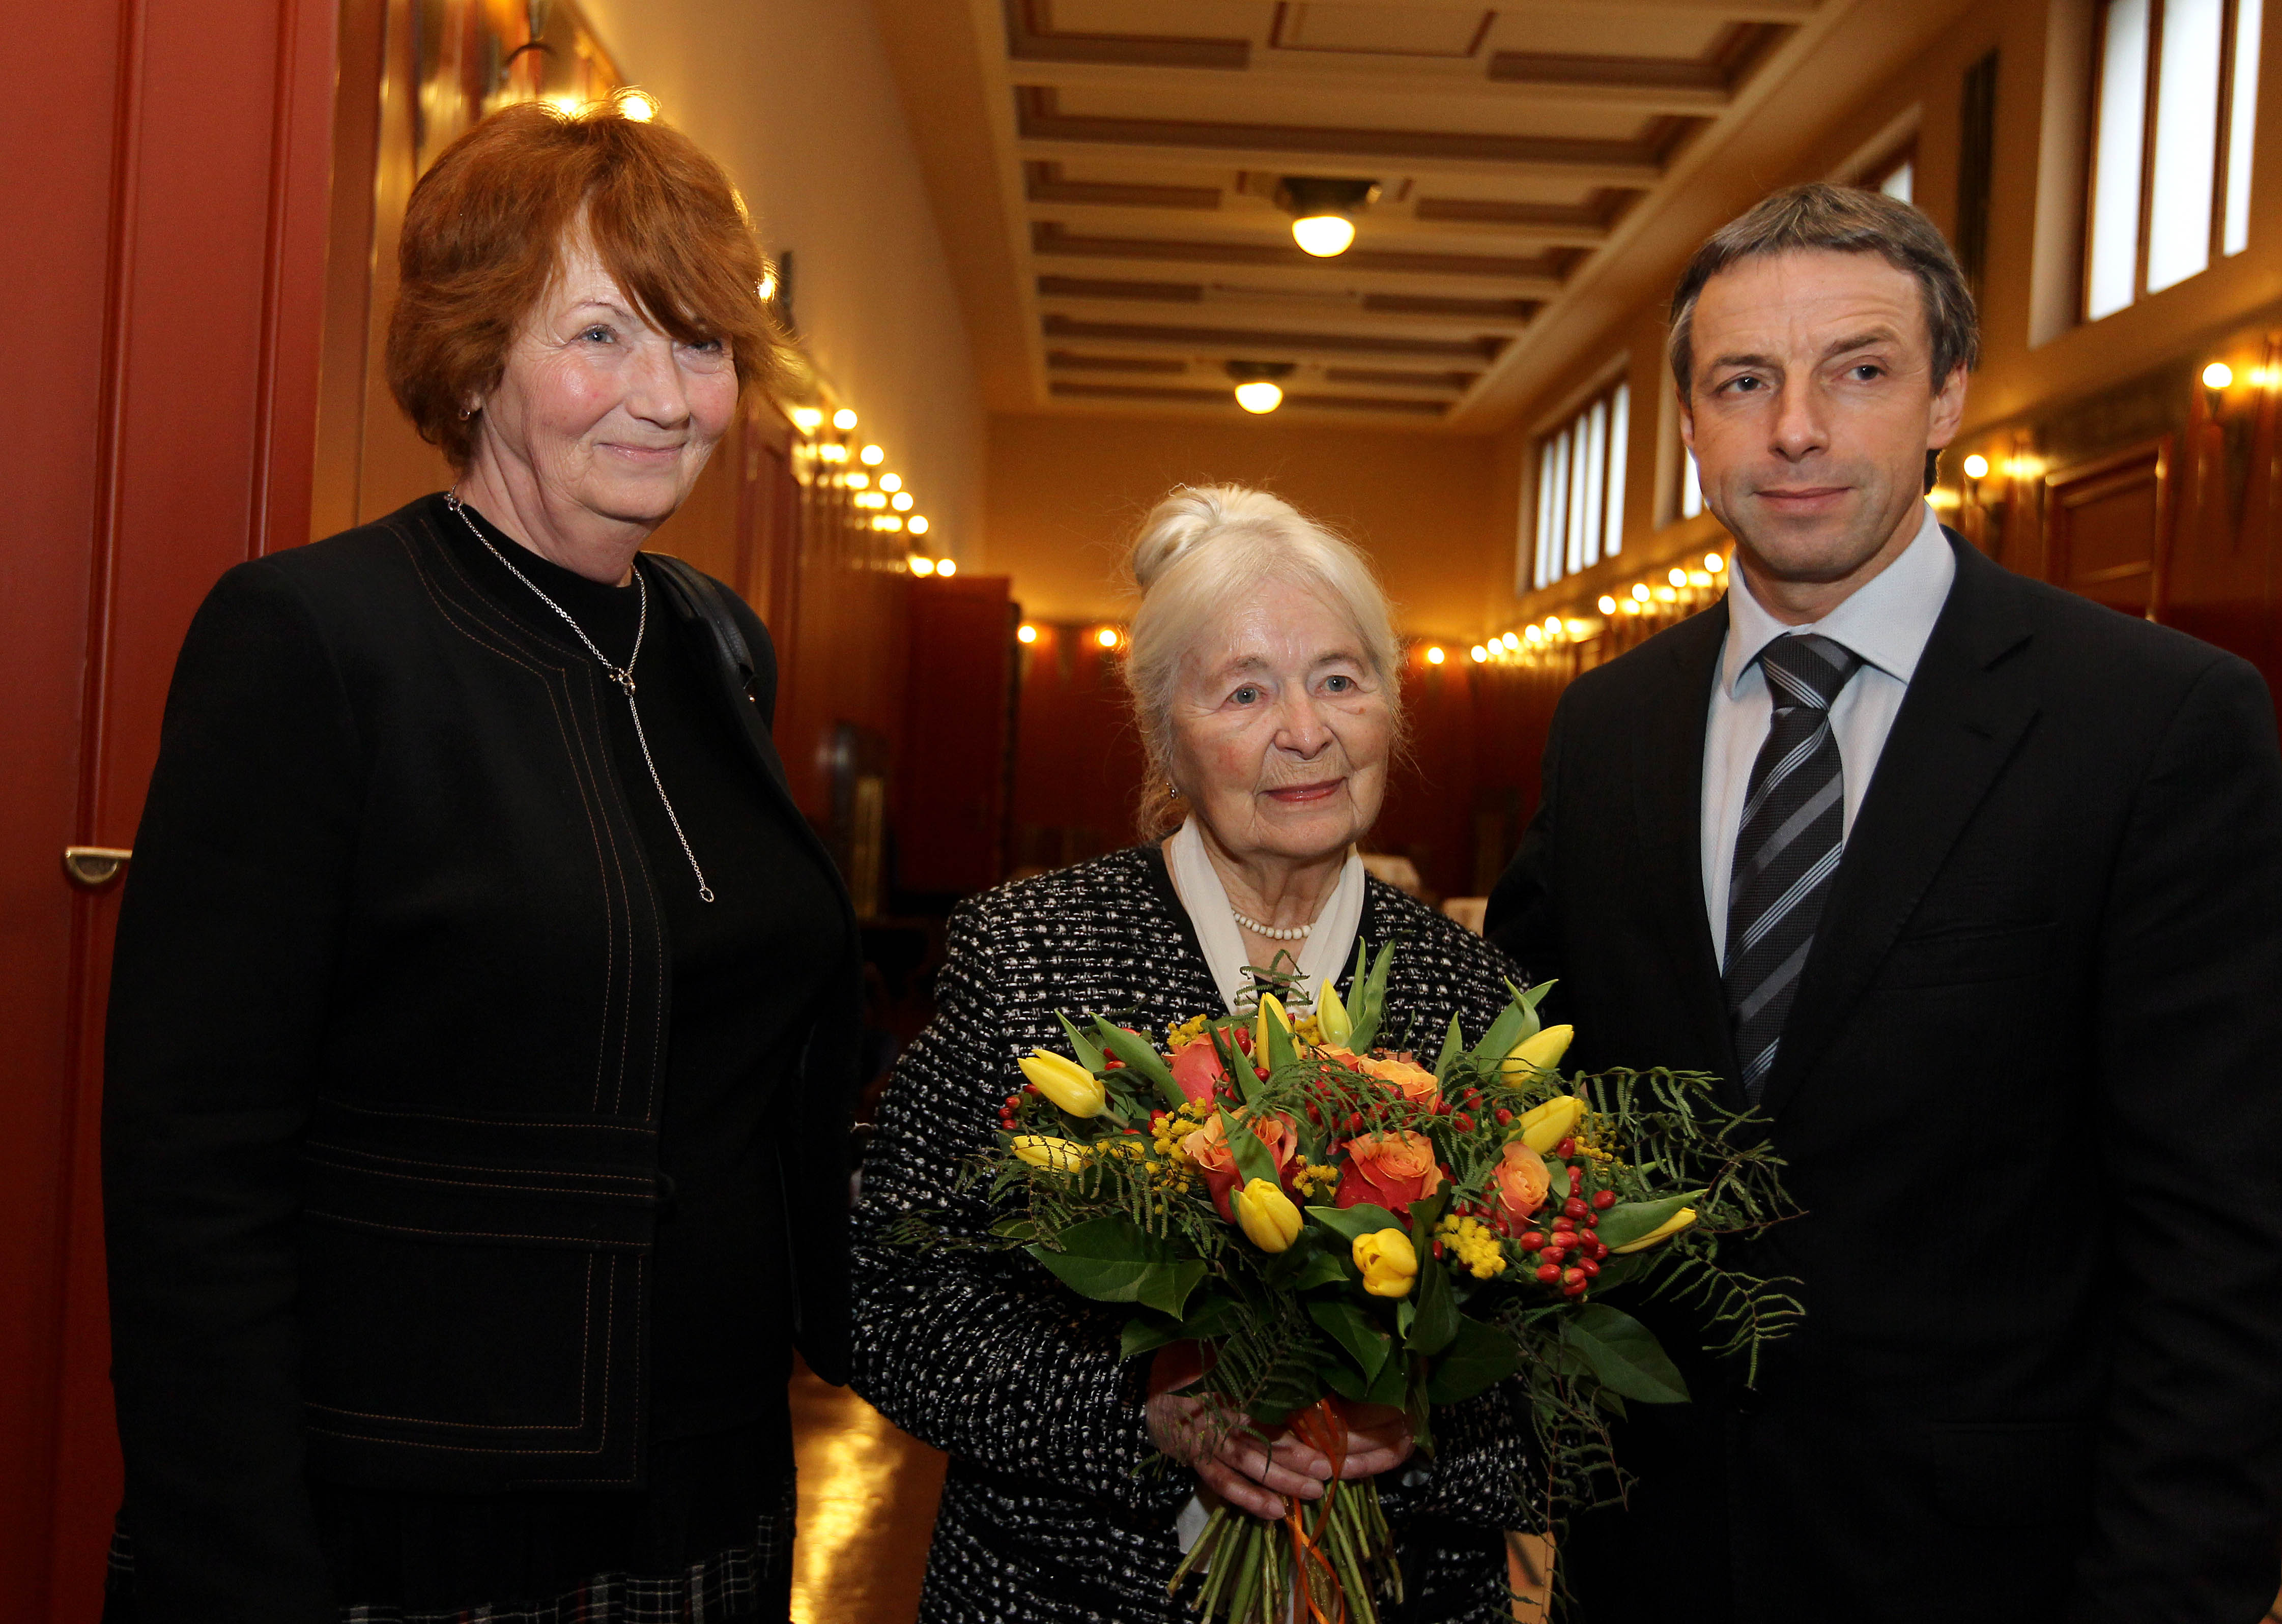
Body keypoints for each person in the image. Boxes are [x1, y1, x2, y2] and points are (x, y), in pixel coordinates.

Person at [101, 98, 862, 1623]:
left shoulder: (719, 642)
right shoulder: (314, 639)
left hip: (707, 1477)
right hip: (409, 1506)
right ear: (473, 356)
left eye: (701, 343)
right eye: (599, 336)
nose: (662, 395)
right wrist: (237, 1554)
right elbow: (193, 1162)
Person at [1487, 182, 2282, 1622]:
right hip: (1652, 1553)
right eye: (1744, 381)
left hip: (2000, 1568)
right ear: (1688, 425)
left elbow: (2222, 1235)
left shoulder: (2152, 724)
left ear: (1943, 400)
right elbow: (1534, 1108)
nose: (1795, 427)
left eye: (1857, 370)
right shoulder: (1606, 731)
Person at [850, 486, 1531, 1622]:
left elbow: (1555, 1373)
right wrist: (1140, 1417)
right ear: (1165, 727)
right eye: (1245, 692)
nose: (1304, 731)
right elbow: (890, 1296)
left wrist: (1420, 1422)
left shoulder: (1476, 999)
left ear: (1391, 706)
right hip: (1063, 1594)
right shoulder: (1030, 955)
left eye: (1339, 679)